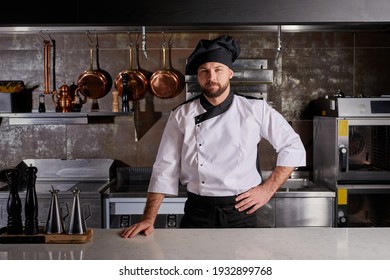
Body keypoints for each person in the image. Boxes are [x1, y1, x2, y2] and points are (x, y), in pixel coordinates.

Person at [120, 35, 306, 238]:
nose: (212, 77)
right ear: (198, 77)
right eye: (204, 71)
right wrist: (148, 218)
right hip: (197, 211)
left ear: (230, 73)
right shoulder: (182, 114)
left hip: (241, 212)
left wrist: (268, 189)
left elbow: (293, 146)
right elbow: (165, 167)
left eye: (218, 70)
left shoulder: (255, 109)